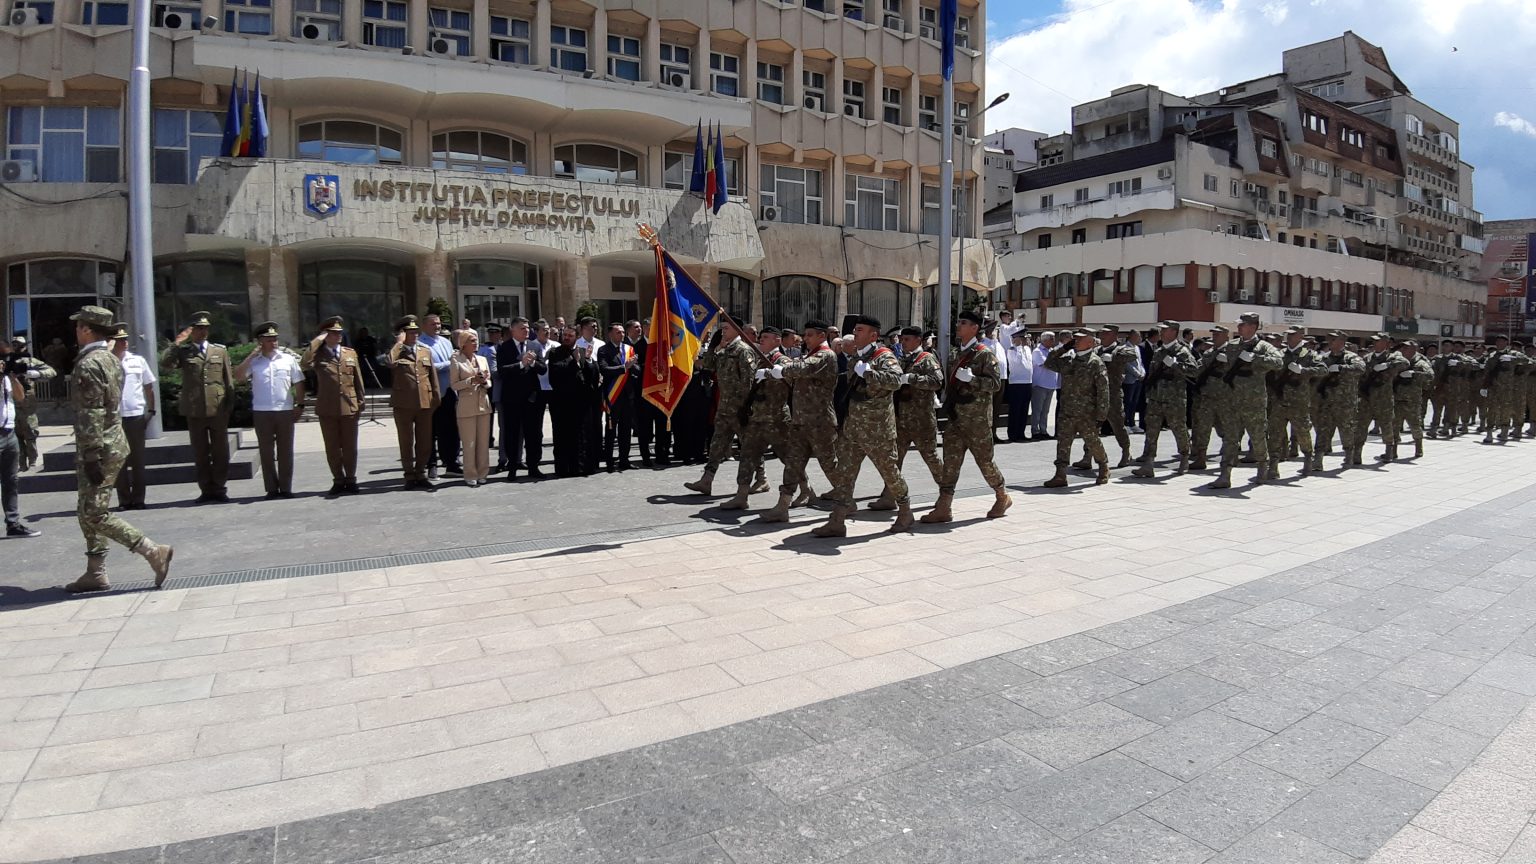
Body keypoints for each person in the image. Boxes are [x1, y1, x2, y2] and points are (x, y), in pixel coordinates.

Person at [63, 306, 172, 593]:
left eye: (78, 327)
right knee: (85, 508)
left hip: (99, 447)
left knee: (95, 513)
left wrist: (90, 454)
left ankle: (152, 551)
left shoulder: (89, 364)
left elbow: (92, 413)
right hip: (112, 441)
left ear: (87, 330)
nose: (75, 331)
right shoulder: (111, 359)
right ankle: (95, 572)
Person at [814, 315, 911, 537]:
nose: (855, 333)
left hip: (877, 429)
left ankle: (905, 511)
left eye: (860, 330)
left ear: (873, 335)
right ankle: (837, 521)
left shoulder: (883, 356)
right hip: (854, 428)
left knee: (890, 473)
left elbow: (896, 381)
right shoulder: (855, 357)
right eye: (855, 330)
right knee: (844, 474)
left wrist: (868, 373)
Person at [924, 310, 1010, 523]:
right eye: (958, 322)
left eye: (963, 323)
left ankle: (1002, 495)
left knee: (985, 462)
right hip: (956, 418)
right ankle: (944, 507)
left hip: (977, 420)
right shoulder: (956, 353)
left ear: (974, 328)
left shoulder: (984, 354)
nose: (958, 326)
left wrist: (973, 379)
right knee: (950, 463)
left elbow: (995, 384)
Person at [765, 319, 839, 521]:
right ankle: (782, 506)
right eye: (805, 335)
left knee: (829, 464)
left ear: (822, 336)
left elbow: (804, 368)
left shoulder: (826, 355)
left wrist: (781, 370)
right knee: (793, 463)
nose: (805, 339)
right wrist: (771, 374)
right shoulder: (812, 354)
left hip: (820, 422)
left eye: (809, 335)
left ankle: (847, 501)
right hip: (801, 421)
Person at [161, 310, 234, 503]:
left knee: (221, 451)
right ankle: (205, 489)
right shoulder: (185, 352)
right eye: (199, 328)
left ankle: (219, 488)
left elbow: (228, 380)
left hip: (217, 408)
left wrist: (229, 405)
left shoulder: (220, 350)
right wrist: (176, 343)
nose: (203, 332)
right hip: (194, 409)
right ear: (192, 331)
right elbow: (166, 364)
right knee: (200, 452)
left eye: (205, 328)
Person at [1211, 313, 1285, 488]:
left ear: (1253, 326)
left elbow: (1278, 362)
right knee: (1230, 438)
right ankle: (1225, 474)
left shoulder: (1263, 346)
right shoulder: (1232, 346)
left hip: (1254, 401)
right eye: (1239, 325)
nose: (1238, 328)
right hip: (1232, 400)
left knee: (1258, 436)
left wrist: (1256, 359)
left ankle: (1262, 468)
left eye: (1242, 325)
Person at [685, 318, 756, 496]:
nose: (723, 331)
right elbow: (708, 365)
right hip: (724, 407)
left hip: (739, 409)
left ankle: (761, 478)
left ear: (737, 330)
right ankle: (706, 480)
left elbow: (748, 381)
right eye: (722, 328)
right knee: (717, 444)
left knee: (750, 445)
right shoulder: (725, 350)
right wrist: (714, 348)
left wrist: (745, 406)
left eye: (726, 328)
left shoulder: (744, 351)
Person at [722, 327, 790, 511]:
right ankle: (741, 496)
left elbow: (790, 381)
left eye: (766, 337)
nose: (761, 340)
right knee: (747, 455)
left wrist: (772, 373)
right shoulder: (758, 360)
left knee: (789, 459)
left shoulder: (782, 361)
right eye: (761, 337)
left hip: (776, 419)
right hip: (757, 417)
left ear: (777, 341)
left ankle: (807, 490)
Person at [239, 321, 306, 499]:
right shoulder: (255, 362)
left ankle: (286, 487)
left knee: (286, 451)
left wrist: (300, 405)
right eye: (269, 339)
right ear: (260, 341)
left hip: (284, 410)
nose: (273, 342)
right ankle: (271, 488)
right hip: (262, 412)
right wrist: (250, 357)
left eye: (275, 338)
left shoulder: (288, 359)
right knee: (266, 452)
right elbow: (238, 377)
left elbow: (299, 383)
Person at [300, 316, 367, 495]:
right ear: (325, 335)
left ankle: (351, 479)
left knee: (350, 446)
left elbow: (357, 379)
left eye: (339, 333)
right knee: (332, 447)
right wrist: (317, 340)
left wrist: (360, 401)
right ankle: (338, 479)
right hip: (327, 408)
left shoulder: (349, 353)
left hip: (349, 405)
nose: (338, 336)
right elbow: (304, 364)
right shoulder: (318, 354)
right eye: (333, 333)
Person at [883, 326, 944, 506]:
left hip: (921, 419)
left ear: (918, 340)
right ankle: (889, 496)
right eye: (902, 340)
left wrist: (913, 379)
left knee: (931, 457)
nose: (903, 343)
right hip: (901, 418)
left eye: (907, 340)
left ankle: (946, 492)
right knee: (894, 459)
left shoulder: (926, 359)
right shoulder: (902, 359)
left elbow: (937, 381)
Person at [1043, 329, 1111, 488]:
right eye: (1075, 339)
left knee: (1093, 442)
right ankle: (1060, 475)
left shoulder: (1095, 362)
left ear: (1090, 342)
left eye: (1080, 339)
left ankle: (1103, 466)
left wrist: (1101, 415)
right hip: (1067, 410)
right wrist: (1064, 348)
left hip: (1086, 413)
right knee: (1063, 443)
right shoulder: (1069, 359)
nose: (1076, 341)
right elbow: (1049, 362)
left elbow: (1103, 390)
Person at [1132, 321, 1198, 479]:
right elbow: (1152, 374)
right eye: (1161, 330)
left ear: (1174, 332)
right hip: (1156, 398)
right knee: (1151, 431)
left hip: (1174, 399)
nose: (1161, 333)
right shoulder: (1159, 351)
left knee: (1179, 429)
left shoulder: (1182, 351)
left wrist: (1176, 365)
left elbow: (1194, 371)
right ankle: (1148, 463)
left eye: (1165, 330)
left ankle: (1184, 458)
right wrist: (1148, 393)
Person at [1264, 325, 1324, 480]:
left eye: (1292, 335)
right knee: (1275, 433)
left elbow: (1323, 370)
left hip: (1299, 402)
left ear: (1301, 336)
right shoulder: (1280, 354)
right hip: (1279, 400)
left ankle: (1307, 459)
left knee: (1302, 432)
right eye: (1288, 335)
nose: (1288, 338)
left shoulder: (1308, 354)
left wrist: (1303, 370)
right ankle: (1273, 466)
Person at [387, 316, 440, 489]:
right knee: (406, 441)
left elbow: (432, 376)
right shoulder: (397, 351)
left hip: (425, 403)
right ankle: (409, 475)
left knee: (424, 441)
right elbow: (390, 362)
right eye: (410, 332)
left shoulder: (425, 351)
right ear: (404, 334)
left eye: (416, 332)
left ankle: (420, 473)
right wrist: (399, 344)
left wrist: (436, 398)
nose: (414, 335)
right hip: (403, 404)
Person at [111, 326, 156, 509]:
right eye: (120, 339)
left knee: (137, 460)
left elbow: (148, 386)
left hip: (136, 414)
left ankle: (139, 499)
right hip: (115, 417)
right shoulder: (107, 361)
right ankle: (124, 499)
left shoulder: (138, 360)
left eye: (126, 339)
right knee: (118, 461)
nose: (124, 342)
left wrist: (151, 411)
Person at [547, 325, 600, 478]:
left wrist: (589, 361)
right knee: (563, 436)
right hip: (562, 403)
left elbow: (593, 377)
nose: (567, 338)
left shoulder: (584, 352)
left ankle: (582, 467)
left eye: (570, 335)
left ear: (576, 337)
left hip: (581, 403)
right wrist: (573, 361)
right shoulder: (555, 352)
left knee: (582, 436)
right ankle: (564, 468)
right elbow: (555, 372)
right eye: (565, 335)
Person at [497, 317, 547, 480]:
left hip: (532, 399)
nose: (526, 331)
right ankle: (512, 467)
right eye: (522, 328)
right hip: (512, 399)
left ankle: (534, 466)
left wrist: (532, 363)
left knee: (533, 434)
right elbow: (502, 371)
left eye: (527, 328)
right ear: (512, 330)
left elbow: (543, 369)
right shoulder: (504, 347)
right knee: (512, 434)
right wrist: (521, 364)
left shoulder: (534, 345)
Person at [1083, 325, 1138, 469]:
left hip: (1112, 395)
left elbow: (1133, 354)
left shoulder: (1120, 349)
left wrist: (1113, 357)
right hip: (1096, 395)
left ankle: (1126, 452)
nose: (1102, 337)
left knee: (1118, 426)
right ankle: (1087, 456)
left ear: (1114, 335)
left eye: (1106, 334)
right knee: (1091, 427)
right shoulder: (1097, 350)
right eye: (1102, 334)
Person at [1312, 331, 1366, 470]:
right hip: (1326, 402)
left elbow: (1361, 368)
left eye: (1333, 340)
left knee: (1346, 430)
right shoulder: (1324, 358)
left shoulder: (1350, 357)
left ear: (1342, 342)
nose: (1330, 342)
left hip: (1345, 403)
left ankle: (1349, 456)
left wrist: (1342, 368)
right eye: (1329, 339)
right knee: (1322, 431)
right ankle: (1318, 459)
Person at [1, 342, 39, 537]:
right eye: (6, 358)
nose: (8, 362)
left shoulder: (7, 376)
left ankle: (13, 523)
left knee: (11, 481)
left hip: (8, 433)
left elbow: (20, 397)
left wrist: (12, 377)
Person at [1352, 331, 1409, 460]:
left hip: (1383, 398)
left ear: (1386, 343)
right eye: (1374, 341)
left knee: (1386, 425)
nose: (1375, 343)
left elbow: (1405, 363)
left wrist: (1387, 365)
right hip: (1366, 397)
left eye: (1378, 341)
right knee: (1361, 425)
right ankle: (1356, 454)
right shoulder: (1367, 358)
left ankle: (1389, 452)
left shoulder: (1392, 357)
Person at [418, 313, 460, 478]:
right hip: (433, 392)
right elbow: (428, 367)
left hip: (450, 390)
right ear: (424, 326)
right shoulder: (421, 344)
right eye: (433, 324)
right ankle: (431, 464)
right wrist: (449, 364)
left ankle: (451, 462)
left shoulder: (445, 342)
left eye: (438, 324)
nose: (437, 327)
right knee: (431, 430)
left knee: (451, 429)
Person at [451, 330, 494, 486]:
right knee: (469, 443)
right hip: (466, 406)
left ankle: (483, 472)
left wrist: (484, 382)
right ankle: (470, 474)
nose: (476, 343)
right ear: (463, 343)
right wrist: (471, 380)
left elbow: (489, 382)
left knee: (483, 442)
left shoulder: (482, 359)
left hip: (483, 404)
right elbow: (454, 384)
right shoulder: (456, 359)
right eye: (472, 340)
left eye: (476, 340)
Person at [8, 337, 56, 472]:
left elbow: (52, 372)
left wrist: (35, 373)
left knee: (30, 433)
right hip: (12, 404)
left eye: (20, 346)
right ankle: (21, 464)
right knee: (15, 435)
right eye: (15, 345)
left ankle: (33, 461)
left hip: (27, 404)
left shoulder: (31, 362)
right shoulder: (7, 362)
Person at [629, 320, 670, 467]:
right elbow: (634, 367)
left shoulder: (662, 346)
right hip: (644, 393)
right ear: (646, 328)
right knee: (645, 428)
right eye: (651, 327)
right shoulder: (636, 347)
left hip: (660, 392)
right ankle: (645, 456)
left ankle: (662, 454)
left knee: (661, 426)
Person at [597, 323, 637, 472]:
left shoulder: (628, 349)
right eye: (618, 332)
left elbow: (636, 369)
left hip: (627, 396)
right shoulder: (604, 350)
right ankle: (609, 461)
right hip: (612, 396)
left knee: (626, 430)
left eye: (622, 332)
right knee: (610, 430)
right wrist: (624, 367)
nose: (621, 335)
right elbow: (605, 369)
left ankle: (624, 460)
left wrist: (633, 366)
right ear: (610, 335)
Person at [1190, 326, 1231, 469]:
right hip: (1207, 397)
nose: (1215, 337)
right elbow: (1198, 369)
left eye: (1218, 334)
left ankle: (1230, 458)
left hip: (1224, 398)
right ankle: (1201, 458)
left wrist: (1227, 363)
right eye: (1214, 334)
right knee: (1203, 428)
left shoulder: (1232, 352)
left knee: (1226, 430)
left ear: (1226, 336)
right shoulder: (1208, 353)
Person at [1393, 339, 1434, 459]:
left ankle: (1418, 447)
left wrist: (1414, 374)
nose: (1403, 350)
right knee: (1394, 425)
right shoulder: (1399, 361)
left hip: (1412, 400)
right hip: (1397, 398)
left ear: (1414, 349)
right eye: (1403, 348)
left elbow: (1430, 375)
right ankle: (1393, 450)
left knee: (1415, 425)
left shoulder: (1420, 363)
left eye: (1407, 348)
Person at [1481, 335, 1521, 445]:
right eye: (1497, 341)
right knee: (1492, 410)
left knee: (1506, 410)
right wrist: (1484, 386)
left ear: (1506, 343)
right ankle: (1489, 433)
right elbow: (1487, 372)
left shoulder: (1513, 354)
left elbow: (1527, 360)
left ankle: (1504, 432)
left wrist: (1513, 359)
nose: (1499, 343)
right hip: (1493, 388)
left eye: (1502, 341)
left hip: (1507, 388)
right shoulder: (1492, 355)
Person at [1004, 329, 1033, 443]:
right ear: (1018, 339)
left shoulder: (1027, 349)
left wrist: (1023, 347)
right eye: (1024, 338)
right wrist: (1019, 347)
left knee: (1024, 409)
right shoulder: (1011, 351)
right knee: (1015, 410)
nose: (1027, 340)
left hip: (1027, 382)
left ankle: (1021, 432)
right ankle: (1013, 434)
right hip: (1016, 383)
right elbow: (1016, 362)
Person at [1030, 331, 1059, 439]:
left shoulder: (1051, 351)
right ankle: (1035, 430)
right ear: (1045, 340)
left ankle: (1043, 430)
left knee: (1045, 410)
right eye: (1051, 339)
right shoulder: (1038, 351)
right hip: (1040, 384)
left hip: (1051, 384)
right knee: (1037, 409)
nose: (1053, 341)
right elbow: (1046, 364)